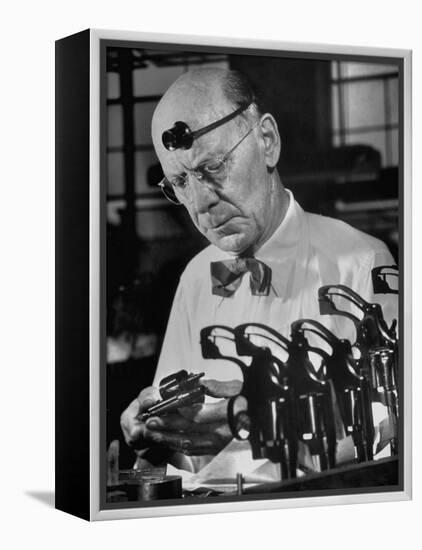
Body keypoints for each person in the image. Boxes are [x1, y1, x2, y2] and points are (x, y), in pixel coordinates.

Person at [120, 68, 398, 486]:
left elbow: (392, 431)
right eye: (179, 182)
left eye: (212, 167)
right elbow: (182, 453)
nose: (200, 204)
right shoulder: (197, 277)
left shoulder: (360, 264)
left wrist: (255, 419)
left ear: (267, 142)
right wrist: (156, 433)